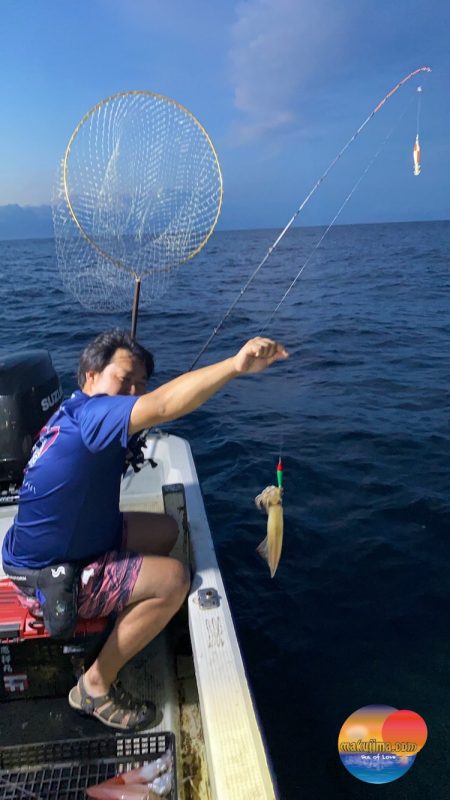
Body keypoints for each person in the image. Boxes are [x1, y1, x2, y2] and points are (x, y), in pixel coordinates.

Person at [2, 329, 288, 730]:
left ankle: (123, 607)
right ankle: (94, 685)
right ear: (89, 377)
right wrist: (235, 366)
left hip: (55, 544)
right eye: (124, 379)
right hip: (48, 575)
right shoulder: (96, 416)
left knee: (165, 531)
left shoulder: (71, 412)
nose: (134, 391)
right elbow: (164, 405)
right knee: (174, 580)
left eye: (141, 383)